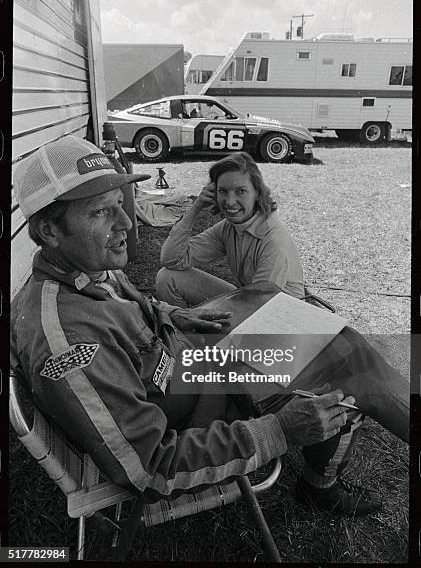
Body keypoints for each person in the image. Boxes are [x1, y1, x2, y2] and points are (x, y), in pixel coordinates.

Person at [11, 135, 409, 517]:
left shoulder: (83, 273)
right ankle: (319, 486)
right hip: (208, 401)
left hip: (203, 366)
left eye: (120, 204)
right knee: (356, 374)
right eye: (100, 211)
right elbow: (152, 469)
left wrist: (173, 315)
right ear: (49, 231)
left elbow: (128, 313)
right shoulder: (70, 343)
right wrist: (278, 431)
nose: (127, 225)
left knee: (347, 348)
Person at [157, 152, 305, 307]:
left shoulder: (273, 240)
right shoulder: (229, 228)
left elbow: (261, 305)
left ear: (257, 193)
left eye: (240, 191)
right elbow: (172, 260)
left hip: (281, 319)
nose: (230, 202)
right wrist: (195, 208)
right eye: (223, 191)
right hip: (250, 301)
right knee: (167, 278)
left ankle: (196, 329)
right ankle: (181, 328)